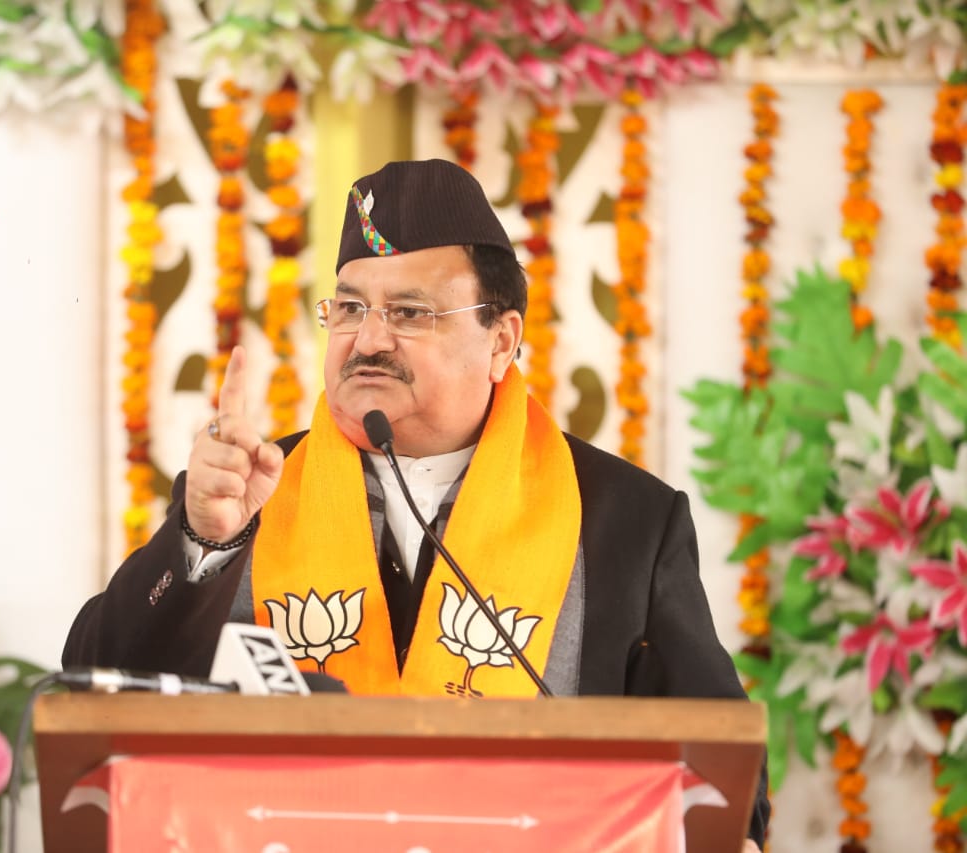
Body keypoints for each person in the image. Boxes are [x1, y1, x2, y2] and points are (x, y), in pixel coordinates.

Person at [64, 158, 769, 849]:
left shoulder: (626, 520)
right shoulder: (244, 490)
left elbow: (720, 774)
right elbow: (92, 694)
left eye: (409, 311)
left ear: (502, 340)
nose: (368, 339)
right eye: (348, 308)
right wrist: (198, 542)